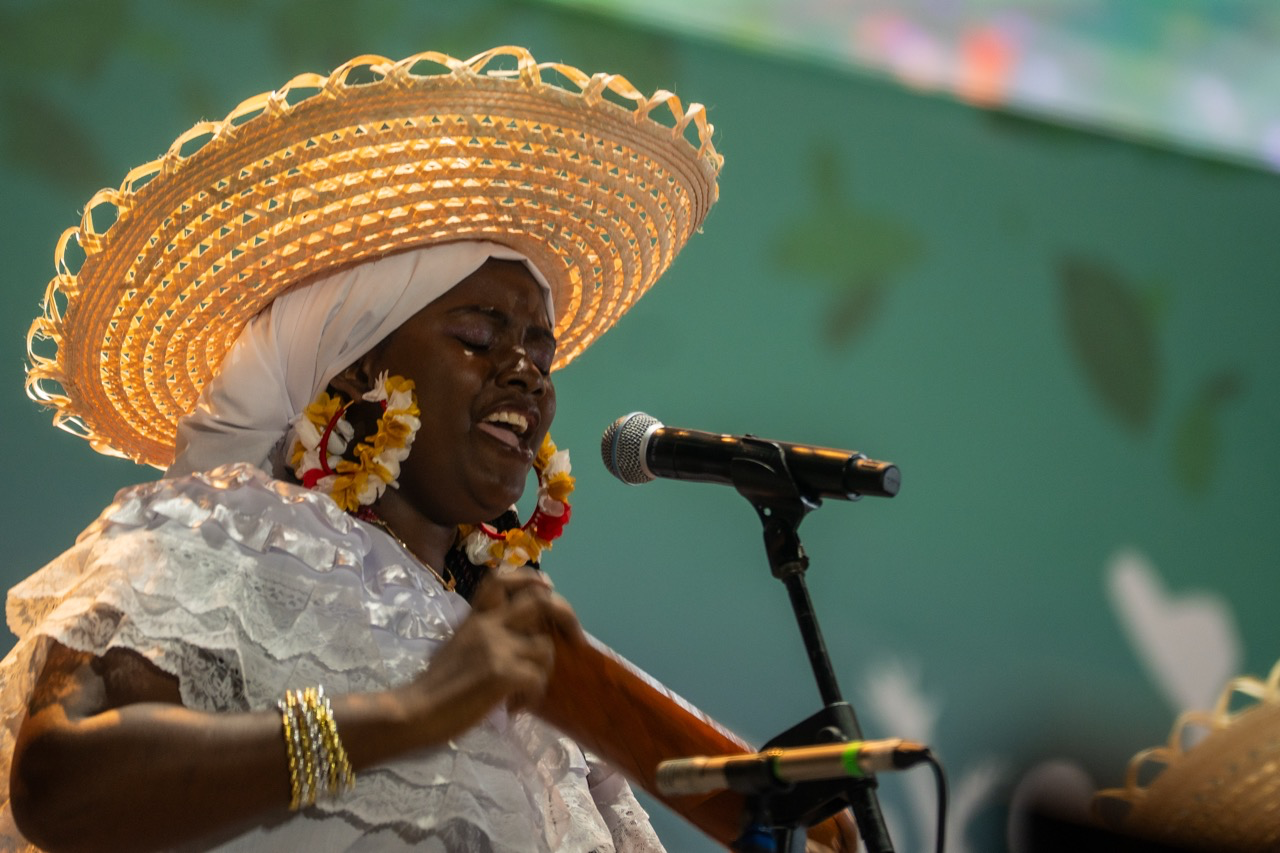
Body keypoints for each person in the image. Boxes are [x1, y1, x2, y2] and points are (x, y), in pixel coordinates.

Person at [3, 47, 855, 852]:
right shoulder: (224, 531)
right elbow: (61, 788)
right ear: (358, 367)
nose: (526, 374)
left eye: (542, 353)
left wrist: (777, 827)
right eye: (479, 335)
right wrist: (410, 712)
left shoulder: (523, 658)